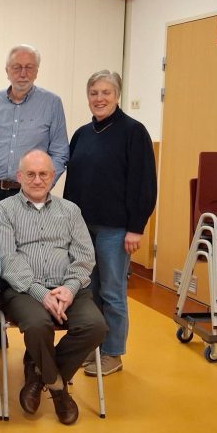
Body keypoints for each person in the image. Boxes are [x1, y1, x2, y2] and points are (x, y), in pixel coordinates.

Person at [0, 150, 108, 425]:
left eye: (43, 174)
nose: (37, 180)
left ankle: (37, 373)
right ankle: (58, 389)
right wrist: (41, 293)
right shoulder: (3, 211)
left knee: (95, 326)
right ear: (19, 176)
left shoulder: (70, 211)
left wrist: (69, 288)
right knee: (37, 324)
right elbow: (7, 258)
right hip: (22, 290)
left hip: (68, 289)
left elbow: (84, 256)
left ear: (53, 177)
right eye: (30, 174)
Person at [64, 71, 157, 377]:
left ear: (117, 95)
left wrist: (136, 227)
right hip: (83, 229)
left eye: (106, 92)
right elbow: (72, 185)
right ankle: (95, 348)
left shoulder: (134, 132)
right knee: (89, 292)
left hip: (116, 230)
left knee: (113, 292)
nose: (99, 98)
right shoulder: (82, 135)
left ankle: (113, 353)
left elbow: (144, 184)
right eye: (94, 93)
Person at [0, 44, 69, 213]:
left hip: (30, 196)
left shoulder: (52, 104)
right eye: (17, 67)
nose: (23, 73)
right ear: (7, 71)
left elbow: (60, 153)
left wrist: (40, 188)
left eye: (29, 67)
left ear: (37, 71)